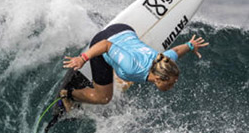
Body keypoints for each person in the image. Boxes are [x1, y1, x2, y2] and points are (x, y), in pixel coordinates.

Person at [59, 23, 208, 109]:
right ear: (158, 79)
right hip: (103, 42)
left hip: (124, 29)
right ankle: (68, 94)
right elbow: (105, 45)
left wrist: (190, 45)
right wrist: (83, 58)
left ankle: (116, 68)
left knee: (124, 74)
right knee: (104, 98)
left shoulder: (163, 61)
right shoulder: (133, 67)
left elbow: (176, 51)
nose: (172, 86)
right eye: (170, 83)